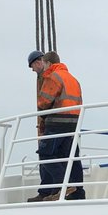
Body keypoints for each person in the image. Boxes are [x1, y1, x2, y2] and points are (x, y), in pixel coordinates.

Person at [27, 50, 86, 200]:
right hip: (74, 123)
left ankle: (62, 186)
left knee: (46, 154)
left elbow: (44, 102)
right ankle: (77, 193)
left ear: (47, 63)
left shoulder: (53, 77)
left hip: (57, 122)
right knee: (71, 157)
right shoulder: (73, 79)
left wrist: (42, 117)